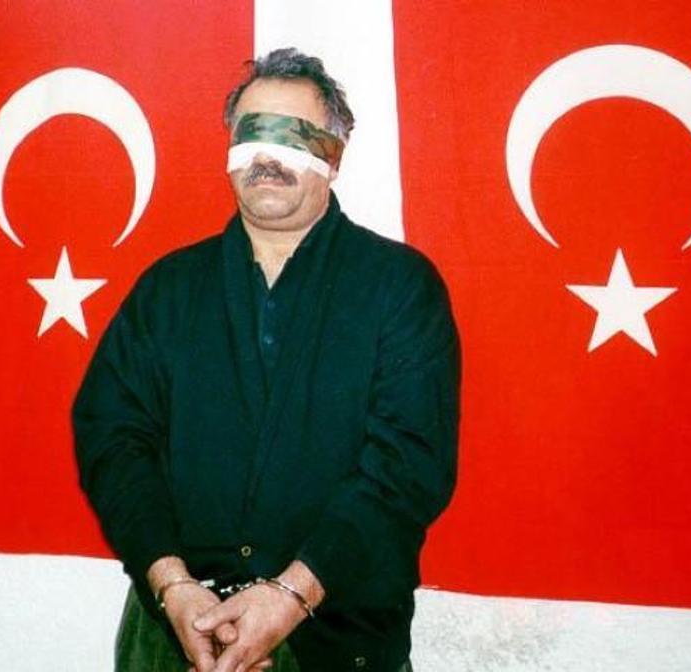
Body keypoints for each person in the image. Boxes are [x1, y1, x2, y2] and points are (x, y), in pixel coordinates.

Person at [73, 48, 460, 672]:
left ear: (334, 156)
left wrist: (292, 594)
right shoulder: (167, 290)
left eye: (294, 136)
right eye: (251, 134)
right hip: (175, 632)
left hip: (337, 639)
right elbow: (112, 440)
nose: (268, 156)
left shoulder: (400, 288)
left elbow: (408, 466)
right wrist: (173, 586)